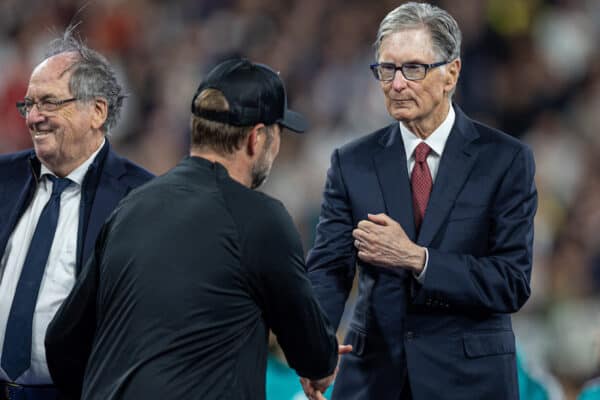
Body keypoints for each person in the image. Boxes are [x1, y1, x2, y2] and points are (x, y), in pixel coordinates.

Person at [45, 58, 346, 400]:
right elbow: (316, 355)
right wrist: (321, 364)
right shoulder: (261, 218)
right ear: (257, 138)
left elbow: (61, 342)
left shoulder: (130, 208)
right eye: (278, 135)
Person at [306, 2, 537, 400]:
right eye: (386, 69)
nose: (396, 84)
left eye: (413, 68)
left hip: (471, 382)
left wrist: (418, 259)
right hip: (374, 380)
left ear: (452, 72)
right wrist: (316, 348)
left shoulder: (505, 160)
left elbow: (511, 282)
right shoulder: (352, 162)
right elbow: (329, 269)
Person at [0, 30, 153, 400]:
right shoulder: (3, 178)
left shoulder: (142, 198)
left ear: (97, 111)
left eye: (49, 103)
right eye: (29, 105)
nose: (33, 117)